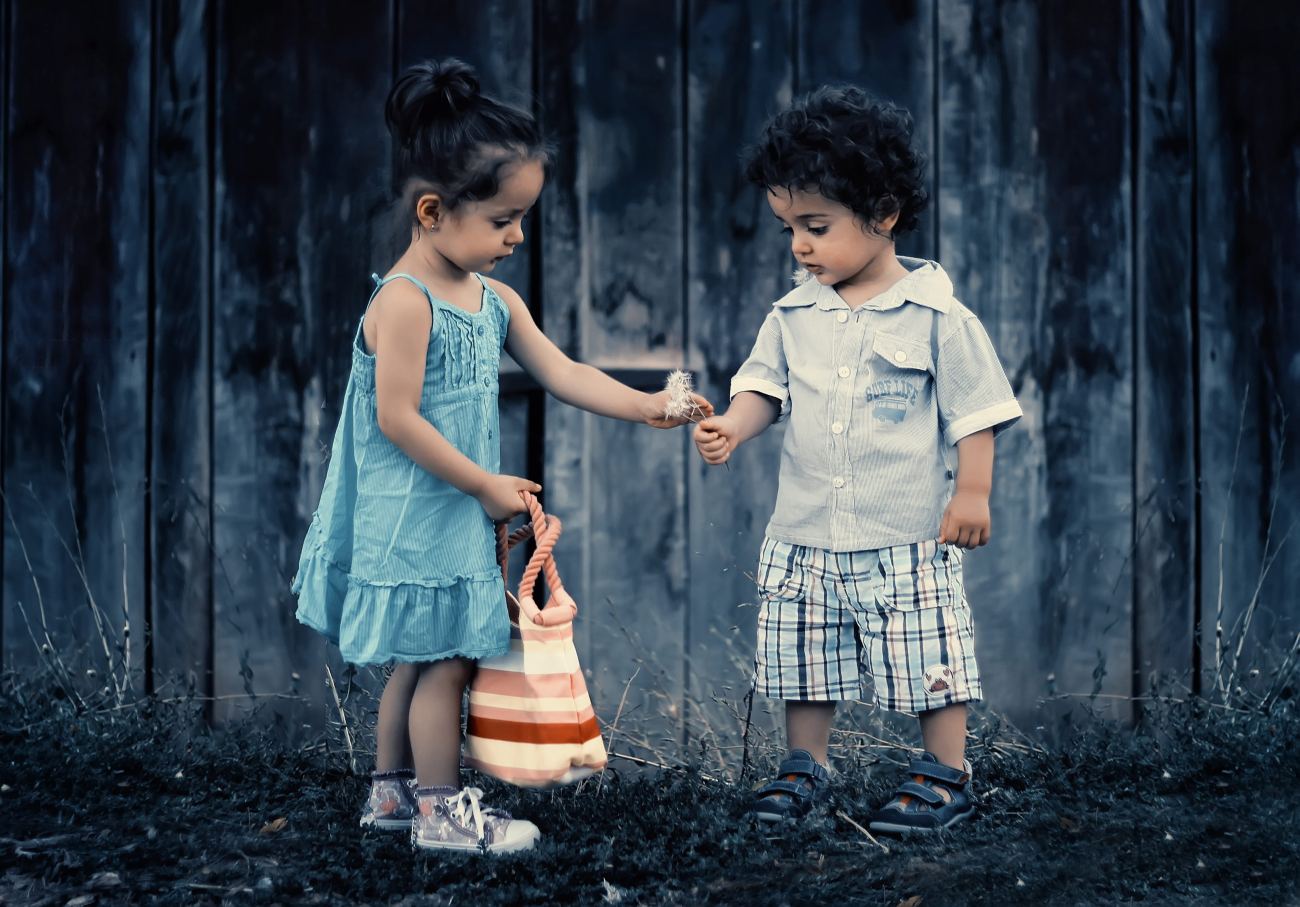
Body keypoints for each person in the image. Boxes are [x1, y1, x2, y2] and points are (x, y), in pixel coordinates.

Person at [292, 57, 711, 854]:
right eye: (503, 219)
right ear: (432, 210)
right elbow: (397, 420)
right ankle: (443, 812)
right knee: (444, 659)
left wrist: (650, 404)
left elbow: (565, 371)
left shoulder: (492, 301)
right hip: (417, 509)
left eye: (523, 217)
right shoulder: (405, 302)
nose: (517, 237)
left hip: (447, 507)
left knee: (415, 663)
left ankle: (390, 798)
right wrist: (484, 482)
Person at [693, 85, 1022, 833]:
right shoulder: (794, 313)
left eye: (815, 226)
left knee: (928, 650)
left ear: (882, 214)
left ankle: (946, 771)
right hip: (807, 530)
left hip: (904, 534)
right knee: (804, 656)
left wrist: (972, 492)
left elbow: (978, 411)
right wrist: (735, 428)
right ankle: (804, 768)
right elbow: (763, 388)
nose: (799, 247)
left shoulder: (938, 314)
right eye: (788, 229)